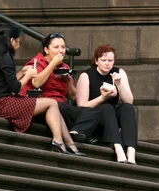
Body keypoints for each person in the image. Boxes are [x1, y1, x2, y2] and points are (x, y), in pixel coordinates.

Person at [21, 33, 128, 162]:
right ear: (46, 50)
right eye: (56, 47)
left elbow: (72, 96)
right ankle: (80, 136)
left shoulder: (64, 67)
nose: (61, 50)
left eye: (63, 47)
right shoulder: (38, 61)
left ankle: (76, 132)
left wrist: (67, 81)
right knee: (58, 106)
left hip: (63, 108)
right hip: (45, 107)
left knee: (94, 111)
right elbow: (36, 83)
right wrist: (52, 64)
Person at [0, 23, 81, 155]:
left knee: (52, 106)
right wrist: (27, 75)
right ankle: (58, 142)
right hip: (1, 104)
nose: (19, 45)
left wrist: (21, 73)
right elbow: (15, 88)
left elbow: (4, 84)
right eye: (18, 42)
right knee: (51, 103)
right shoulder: (6, 58)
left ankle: (70, 144)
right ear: (11, 41)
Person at [76, 44, 138, 165]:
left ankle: (131, 153)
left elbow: (129, 100)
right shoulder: (87, 75)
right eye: (103, 60)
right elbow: (81, 106)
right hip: (94, 117)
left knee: (128, 108)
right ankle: (118, 148)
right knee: (106, 107)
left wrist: (119, 85)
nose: (107, 63)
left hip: (111, 118)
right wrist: (102, 97)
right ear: (96, 61)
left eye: (110, 60)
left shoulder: (119, 72)